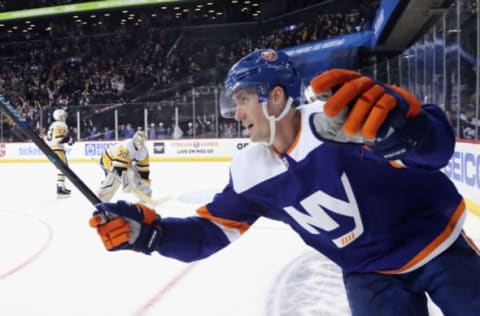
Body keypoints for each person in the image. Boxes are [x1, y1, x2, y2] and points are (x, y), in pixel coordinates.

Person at [89, 49, 480, 315]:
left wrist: (411, 130)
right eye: (234, 103)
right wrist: (150, 234)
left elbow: (435, 154)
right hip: (368, 275)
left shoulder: (338, 122)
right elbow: (207, 234)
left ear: (276, 97)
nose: (237, 114)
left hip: (438, 247)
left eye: (243, 100)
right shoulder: (250, 171)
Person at [97, 130, 152, 202]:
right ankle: (101, 199)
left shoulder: (144, 152)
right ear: (134, 139)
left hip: (126, 163)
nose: (140, 143)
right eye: (138, 141)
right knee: (114, 179)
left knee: (140, 179)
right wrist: (126, 182)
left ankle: (145, 197)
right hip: (109, 160)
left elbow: (144, 171)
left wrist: (144, 184)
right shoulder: (126, 145)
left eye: (142, 141)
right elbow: (119, 168)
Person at [45, 108, 75, 198]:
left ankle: (61, 187)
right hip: (57, 149)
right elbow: (58, 138)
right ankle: (60, 188)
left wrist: (68, 140)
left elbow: (50, 138)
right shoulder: (60, 124)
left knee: (62, 168)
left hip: (51, 148)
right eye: (63, 116)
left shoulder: (53, 125)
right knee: (63, 168)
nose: (64, 117)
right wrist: (69, 139)